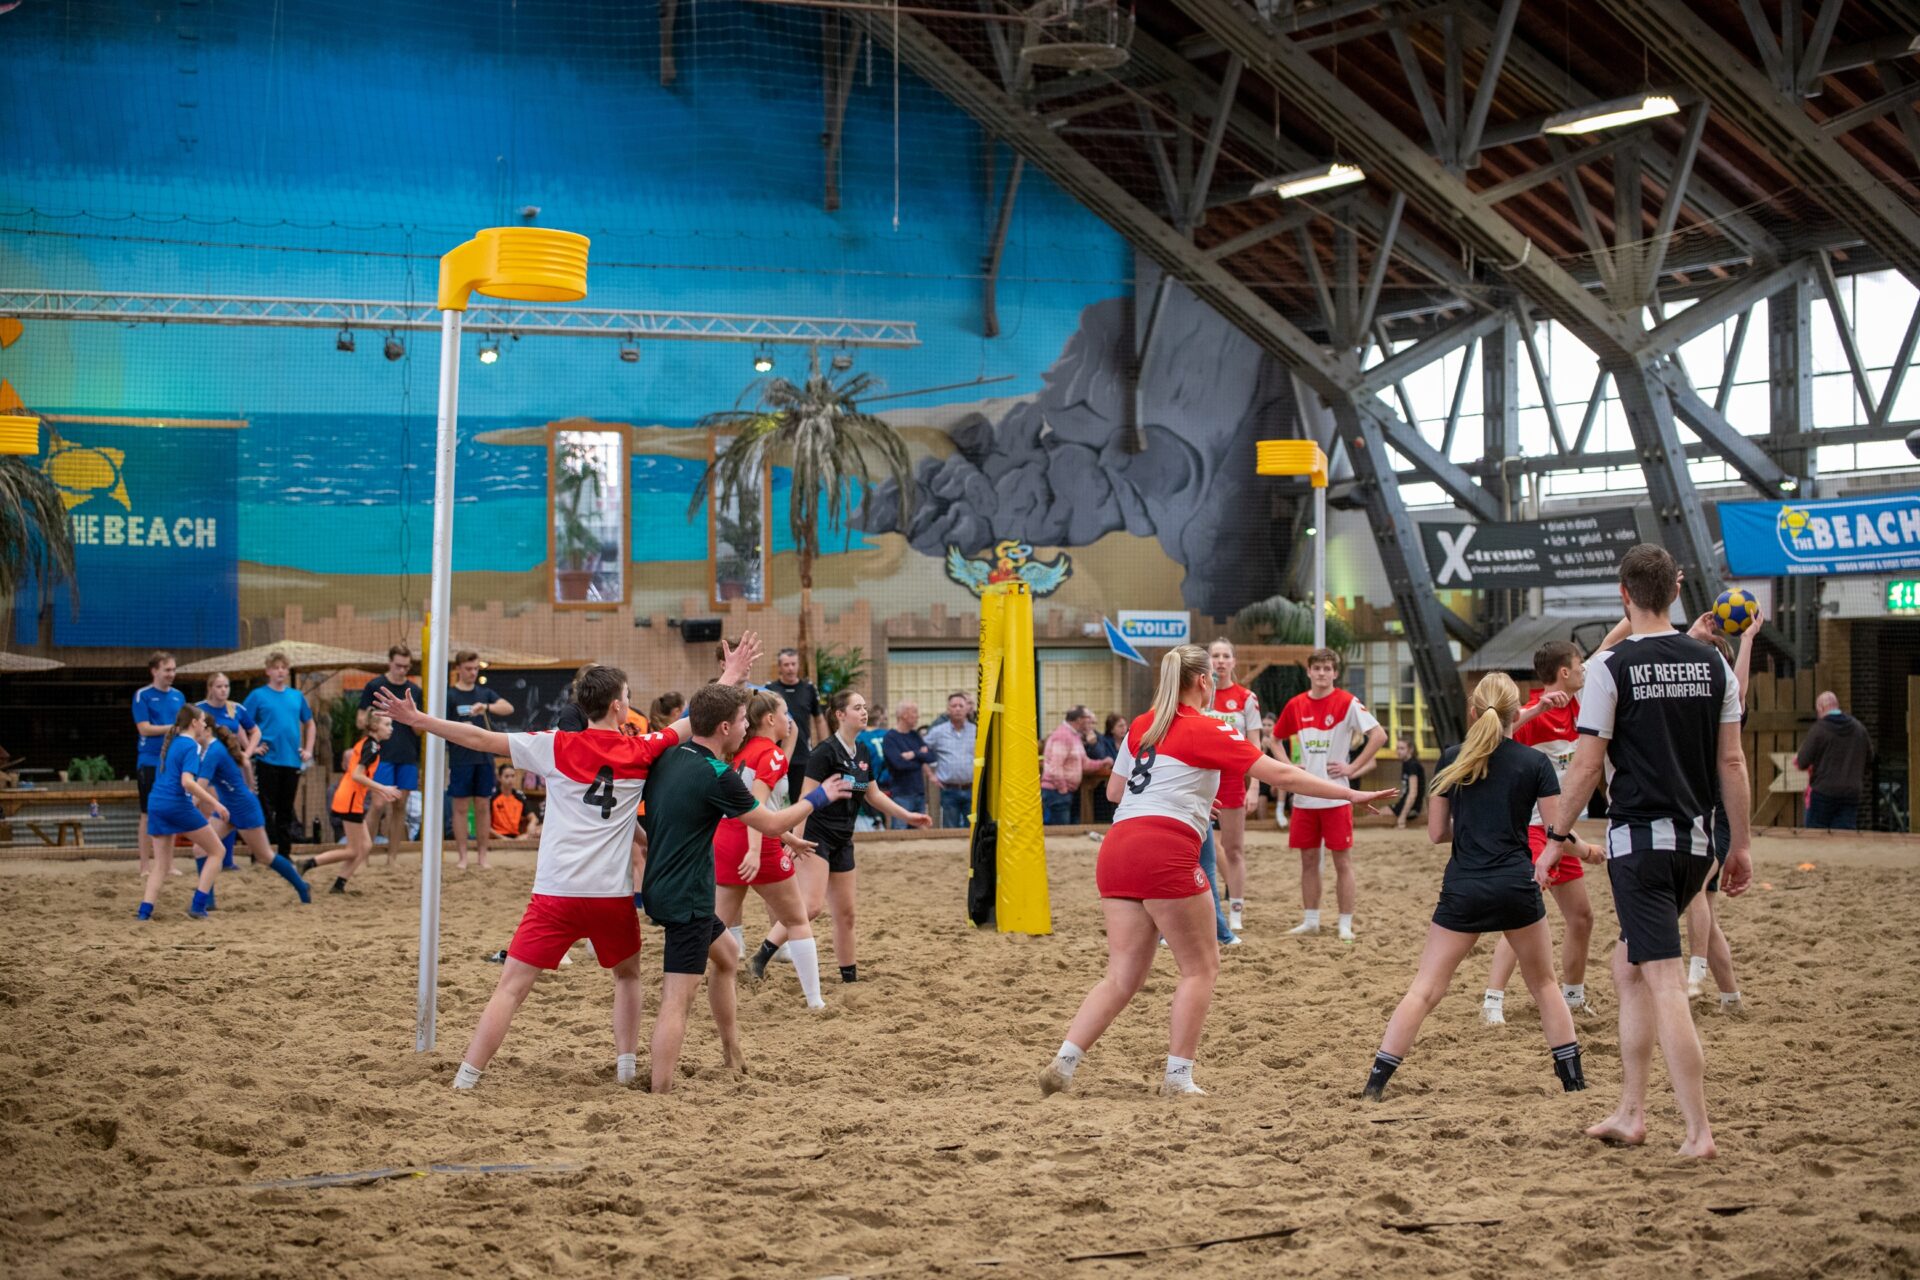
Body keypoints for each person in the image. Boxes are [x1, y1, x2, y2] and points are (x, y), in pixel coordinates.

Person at [374, 632, 766, 1092]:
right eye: (627, 697)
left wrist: (420, 719)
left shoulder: (556, 745)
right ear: (618, 707)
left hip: (556, 893)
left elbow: (481, 738)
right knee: (628, 975)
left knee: (512, 987)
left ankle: (466, 1078)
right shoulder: (640, 750)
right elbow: (693, 726)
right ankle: (624, 1068)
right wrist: (733, 673)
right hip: (610, 896)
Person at [1039, 645, 1396, 1098]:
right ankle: (1177, 1077)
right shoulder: (1207, 727)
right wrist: (1351, 795)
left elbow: (1114, 791)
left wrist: (1184, 796)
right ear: (1205, 681)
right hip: (1164, 848)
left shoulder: (1143, 725)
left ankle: (1064, 1062)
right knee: (1200, 968)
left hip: (1118, 846)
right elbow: (1281, 776)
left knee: (1121, 975)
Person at [1548, 544, 1750, 1159]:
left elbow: (1585, 766)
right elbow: (1732, 761)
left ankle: (1698, 1132)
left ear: (1622, 593)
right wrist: (1739, 846)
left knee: (1661, 980)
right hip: (1696, 845)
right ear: (1680, 588)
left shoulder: (1611, 667)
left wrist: (1555, 837)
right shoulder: (1715, 663)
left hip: (1639, 843)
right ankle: (1631, 1111)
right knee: (1628, 966)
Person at [1363, 673, 1590, 1102]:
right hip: (1515, 884)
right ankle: (1574, 1083)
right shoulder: (1536, 763)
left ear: (1473, 711)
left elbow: (1435, 834)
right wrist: (1557, 854)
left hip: (1464, 886)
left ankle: (1375, 1084)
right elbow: (1557, 829)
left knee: (1426, 989)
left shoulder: (1451, 759)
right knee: (1543, 985)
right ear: (1514, 712)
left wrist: (1472, 829)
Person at [640, 683, 851, 1092]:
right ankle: (660, 1091)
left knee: (728, 956)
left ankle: (731, 1049)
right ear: (724, 727)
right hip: (686, 896)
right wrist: (821, 796)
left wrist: (730, 675)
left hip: (666, 884)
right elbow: (770, 822)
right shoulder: (717, 773)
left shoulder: (669, 754)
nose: (746, 726)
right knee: (676, 999)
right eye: (741, 720)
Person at [765, 689, 932, 984]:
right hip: (816, 836)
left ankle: (849, 977)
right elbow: (805, 797)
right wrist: (796, 839)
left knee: (847, 914)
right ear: (840, 715)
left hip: (844, 838)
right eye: (857, 707)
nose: (864, 712)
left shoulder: (863, 750)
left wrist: (908, 817)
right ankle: (761, 957)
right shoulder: (824, 752)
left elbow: (873, 794)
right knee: (811, 907)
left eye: (865, 707)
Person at [1481, 641, 1596, 1023]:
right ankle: (1492, 1001)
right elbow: (1496, 733)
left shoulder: (1581, 706)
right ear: (1564, 671)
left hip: (1560, 830)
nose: (1584, 669)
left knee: (1581, 917)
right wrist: (1538, 710)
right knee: (1524, 915)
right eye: (1578, 664)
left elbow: (1610, 646)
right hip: (1531, 828)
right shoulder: (1531, 708)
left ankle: (1573, 996)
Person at [1271, 648, 1386, 941]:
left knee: (1342, 861)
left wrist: (1353, 767)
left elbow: (1379, 736)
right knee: (1308, 860)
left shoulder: (1347, 702)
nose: (1322, 673)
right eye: (1317, 668)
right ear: (1308, 672)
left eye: (1327, 668)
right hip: (1305, 798)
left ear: (1335, 672)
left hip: (1337, 797)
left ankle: (1344, 923)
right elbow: (1274, 739)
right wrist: (1288, 769)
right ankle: (1311, 920)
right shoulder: (1297, 704)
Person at [726, 692, 830, 1006]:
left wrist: (790, 838)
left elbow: (757, 806)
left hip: (724, 842)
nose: (789, 720)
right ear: (770, 719)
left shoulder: (741, 752)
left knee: (715, 926)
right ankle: (815, 1002)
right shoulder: (772, 755)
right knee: (799, 918)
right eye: (785, 713)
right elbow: (756, 805)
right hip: (754, 844)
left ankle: (694, 987)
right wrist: (757, 850)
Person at [198, 720, 311, 904]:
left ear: (207, 729)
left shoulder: (213, 750)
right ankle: (206, 901)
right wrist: (249, 786)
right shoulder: (210, 749)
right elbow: (245, 762)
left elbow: (200, 787)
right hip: (228, 805)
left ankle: (301, 885)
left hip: (243, 807)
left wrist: (184, 805)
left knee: (265, 856)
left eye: (198, 726)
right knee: (201, 849)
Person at [136, 706, 230, 920]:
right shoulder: (192, 746)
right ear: (194, 723)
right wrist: (215, 803)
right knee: (218, 852)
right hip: (176, 804)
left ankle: (144, 913)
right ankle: (198, 905)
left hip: (156, 804)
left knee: (160, 865)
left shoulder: (173, 742)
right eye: (204, 721)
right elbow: (187, 782)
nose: (206, 725)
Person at [301, 712, 400, 892]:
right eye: (387, 724)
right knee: (353, 850)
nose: (391, 728)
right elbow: (357, 775)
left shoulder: (370, 744)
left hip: (351, 798)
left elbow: (358, 775)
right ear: (375, 726)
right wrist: (383, 788)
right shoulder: (371, 747)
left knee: (366, 845)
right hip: (349, 799)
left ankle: (339, 884)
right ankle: (307, 864)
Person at [1206, 639, 1262, 930]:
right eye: (1215, 656)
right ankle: (1203, 908)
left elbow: (1255, 748)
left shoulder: (1245, 698)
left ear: (1234, 662)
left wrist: (1255, 787)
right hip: (1201, 779)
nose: (1220, 661)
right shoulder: (1198, 695)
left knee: (1234, 848)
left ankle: (1236, 913)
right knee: (1198, 847)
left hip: (1231, 779)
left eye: (1226, 656)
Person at [445, 649, 513, 871]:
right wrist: (460, 729)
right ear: (458, 669)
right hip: (460, 758)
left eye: (475, 668)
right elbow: (441, 724)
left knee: (483, 806)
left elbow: (508, 708)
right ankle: (463, 856)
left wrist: (487, 707)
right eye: (468, 668)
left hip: (484, 758)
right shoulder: (450, 695)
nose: (472, 672)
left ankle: (482, 856)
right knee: (461, 807)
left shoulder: (485, 694)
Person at [242, 652, 314, 859]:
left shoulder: (296, 696)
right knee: (264, 809)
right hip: (267, 760)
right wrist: (250, 749)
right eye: (276, 667)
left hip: (291, 760)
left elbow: (310, 723)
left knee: (285, 810)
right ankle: (258, 853)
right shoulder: (258, 695)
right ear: (268, 671)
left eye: (284, 667)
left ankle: (284, 853)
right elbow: (240, 721)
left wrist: (308, 749)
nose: (281, 671)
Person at [358, 645, 422, 850]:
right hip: (381, 754)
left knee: (400, 806)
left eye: (406, 666)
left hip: (407, 753)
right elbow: (360, 720)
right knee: (377, 805)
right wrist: (374, 717)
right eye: (398, 666)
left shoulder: (415, 691)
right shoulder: (374, 685)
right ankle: (364, 853)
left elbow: (419, 730)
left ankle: (393, 857)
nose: (402, 670)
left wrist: (412, 718)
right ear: (389, 663)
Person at [195, 670, 258, 870]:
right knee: (213, 811)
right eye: (219, 686)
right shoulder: (199, 710)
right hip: (207, 767)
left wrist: (246, 754)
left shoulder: (236, 709)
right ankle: (212, 855)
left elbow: (255, 731)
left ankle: (227, 860)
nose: (224, 690)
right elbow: (186, 733)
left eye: (226, 686)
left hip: (231, 768)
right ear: (210, 688)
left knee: (226, 811)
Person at [133, 651, 186, 878]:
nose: (171, 674)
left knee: (171, 810)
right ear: (155, 671)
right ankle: (145, 866)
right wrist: (171, 728)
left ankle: (167, 864)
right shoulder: (143, 695)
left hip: (172, 761)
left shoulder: (178, 696)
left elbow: (185, 728)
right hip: (149, 761)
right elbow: (144, 728)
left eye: (173, 670)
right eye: (167, 670)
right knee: (147, 813)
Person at [1796, 689, 1870, 832]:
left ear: (1821, 708)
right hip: (1851, 793)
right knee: (1844, 836)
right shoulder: (1859, 729)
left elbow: (1802, 761)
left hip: (1823, 793)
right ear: (1836, 705)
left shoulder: (1819, 730)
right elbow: (1870, 760)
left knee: (1815, 836)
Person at [768, 648, 824, 802]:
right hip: (777, 756)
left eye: (793, 664)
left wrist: (824, 747)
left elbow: (819, 719)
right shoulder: (770, 690)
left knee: (801, 800)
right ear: (779, 667)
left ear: (799, 665)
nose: (790, 668)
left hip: (802, 756)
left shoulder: (809, 689)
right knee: (774, 801)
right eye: (786, 665)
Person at [1042, 706, 1111, 826]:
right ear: (1079, 720)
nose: (1090, 722)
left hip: (1064, 792)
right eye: (1087, 718)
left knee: (1064, 831)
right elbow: (1055, 767)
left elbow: (1084, 763)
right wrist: (1063, 789)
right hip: (1057, 793)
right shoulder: (1063, 736)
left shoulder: (1074, 736)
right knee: (1059, 833)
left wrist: (1102, 763)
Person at [923, 692, 977, 829]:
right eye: (954, 706)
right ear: (948, 709)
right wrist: (931, 775)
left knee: (972, 830)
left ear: (967, 709)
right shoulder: (938, 731)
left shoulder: (976, 731)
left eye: (961, 705)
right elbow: (921, 751)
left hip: (972, 789)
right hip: (948, 791)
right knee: (949, 828)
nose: (957, 709)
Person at [881, 701, 934, 830]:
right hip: (902, 794)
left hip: (919, 793)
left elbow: (931, 757)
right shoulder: (890, 737)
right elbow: (898, 764)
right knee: (900, 831)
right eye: (914, 712)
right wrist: (920, 757)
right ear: (904, 715)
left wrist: (913, 755)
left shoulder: (915, 735)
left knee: (922, 831)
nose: (918, 716)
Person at [1087, 713, 1125, 823]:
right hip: (1103, 784)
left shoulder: (1128, 741)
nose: (1124, 728)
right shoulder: (1104, 741)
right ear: (1112, 729)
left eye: (1124, 725)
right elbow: (1103, 758)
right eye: (1120, 726)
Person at [491, 764, 541, 840]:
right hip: (497, 837)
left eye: (512, 776)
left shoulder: (519, 797)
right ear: (499, 778)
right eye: (507, 776)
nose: (510, 779)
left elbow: (534, 818)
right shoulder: (493, 797)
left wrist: (531, 824)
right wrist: (502, 838)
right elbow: (485, 825)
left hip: (517, 838)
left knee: (541, 828)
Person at [1392, 735, 1425, 830]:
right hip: (1404, 803)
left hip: (1411, 807)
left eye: (1402, 748)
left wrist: (1402, 816)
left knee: (1377, 817)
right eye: (1397, 748)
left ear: (1410, 749)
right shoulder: (1406, 763)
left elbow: (1413, 793)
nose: (1398, 751)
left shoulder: (1412, 765)